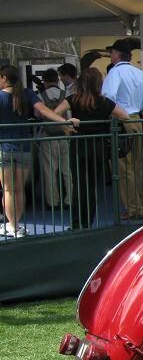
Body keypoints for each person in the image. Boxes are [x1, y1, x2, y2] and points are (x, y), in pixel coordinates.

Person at [0, 65, 80, 237]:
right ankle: (16, 225)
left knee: (8, 190)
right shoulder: (27, 93)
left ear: (4, 78)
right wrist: (65, 122)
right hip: (25, 148)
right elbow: (44, 111)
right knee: (20, 189)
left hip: (4, 148)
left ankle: (11, 226)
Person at [101, 38, 143, 220]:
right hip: (136, 118)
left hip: (121, 120)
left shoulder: (115, 74)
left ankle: (133, 208)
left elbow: (107, 97)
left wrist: (118, 111)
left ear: (117, 54)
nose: (110, 55)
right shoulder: (138, 72)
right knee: (136, 166)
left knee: (123, 168)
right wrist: (139, 107)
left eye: (111, 52)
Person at [66, 67, 130, 229]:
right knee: (92, 185)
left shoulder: (73, 99)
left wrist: (68, 123)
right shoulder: (104, 102)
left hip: (78, 145)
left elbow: (53, 113)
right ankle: (88, 221)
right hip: (99, 146)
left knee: (78, 184)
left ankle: (76, 222)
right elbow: (125, 116)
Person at [37, 68, 72, 209]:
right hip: (64, 136)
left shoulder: (41, 95)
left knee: (49, 171)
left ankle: (53, 202)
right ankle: (70, 200)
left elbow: (38, 114)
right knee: (67, 170)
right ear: (57, 80)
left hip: (48, 137)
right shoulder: (65, 95)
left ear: (44, 81)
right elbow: (69, 115)